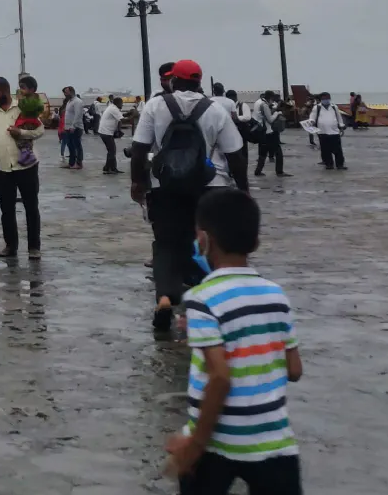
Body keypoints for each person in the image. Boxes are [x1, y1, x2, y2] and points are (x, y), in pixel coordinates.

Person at [167, 188, 388, 495]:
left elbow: (221, 378)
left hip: (218, 442)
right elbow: (294, 369)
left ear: (203, 240)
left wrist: (194, 443)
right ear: (255, 241)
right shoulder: (276, 294)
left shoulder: (202, 299)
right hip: (274, 441)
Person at [130, 59, 247, 333]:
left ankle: (165, 298)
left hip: (165, 187)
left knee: (167, 245)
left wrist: (139, 182)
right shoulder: (215, 109)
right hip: (210, 187)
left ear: (174, 81)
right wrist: (243, 190)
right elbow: (235, 155)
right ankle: (210, 305)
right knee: (209, 245)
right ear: (199, 81)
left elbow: (138, 148)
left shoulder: (156, 105)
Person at [0, 77, 41, 259]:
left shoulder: (24, 107)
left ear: (5, 91)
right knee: (6, 209)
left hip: (26, 166)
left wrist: (22, 133)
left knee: (31, 207)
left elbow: (39, 130)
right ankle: (10, 246)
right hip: (1, 168)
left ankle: (34, 247)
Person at [303, 93, 346, 171]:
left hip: (334, 131)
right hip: (322, 132)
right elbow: (312, 117)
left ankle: (340, 164)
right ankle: (329, 164)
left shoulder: (334, 107)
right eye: (324, 98)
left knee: (338, 149)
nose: (326, 100)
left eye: (327, 98)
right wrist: (311, 122)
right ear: (321, 99)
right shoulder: (317, 108)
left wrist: (341, 127)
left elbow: (339, 117)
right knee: (325, 149)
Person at [254, 92, 287, 178]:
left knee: (263, 152)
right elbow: (270, 120)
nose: (273, 102)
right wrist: (277, 113)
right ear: (270, 98)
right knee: (278, 152)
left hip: (261, 132)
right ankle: (279, 172)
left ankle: (258, 171)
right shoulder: (264, 105)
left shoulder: (258, 102)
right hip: (268, 132)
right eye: (272, 99)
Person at [59, 86, 85, 170]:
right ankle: (71, 163)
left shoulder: (77, 102)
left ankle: (79, 163)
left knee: (77, 145)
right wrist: (65, 127)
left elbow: (78, 115)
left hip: (76, 128)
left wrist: (73, 126)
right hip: (68, 128)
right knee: (70, 146)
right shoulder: (69, 102)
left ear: (71, 92)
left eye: (66, 92)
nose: (65, 94)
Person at [98, 96, 125, 174]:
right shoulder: (114, 109)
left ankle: (108, 167)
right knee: (112, 151)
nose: (122, 105)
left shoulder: (112, 107)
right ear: (117, 103)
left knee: (111, 150)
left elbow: (119, 120)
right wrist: (133, 116)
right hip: (106, 132)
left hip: (105, 131)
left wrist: (119, 130)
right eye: (121, 103)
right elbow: (122, 119)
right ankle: (110, 169)